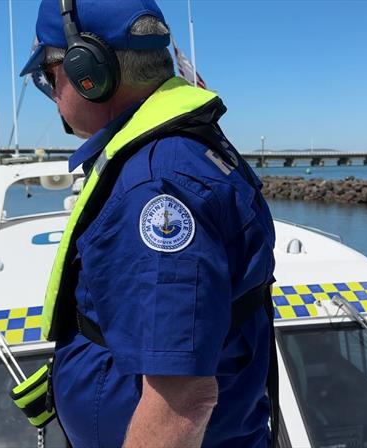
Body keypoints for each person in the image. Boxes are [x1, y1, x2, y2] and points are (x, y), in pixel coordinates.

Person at [20, 1, 276, 446]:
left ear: (88, 72)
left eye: (49, 75)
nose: (52, 92)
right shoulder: (174, 156)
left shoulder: (157, 185)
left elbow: (184, 400)